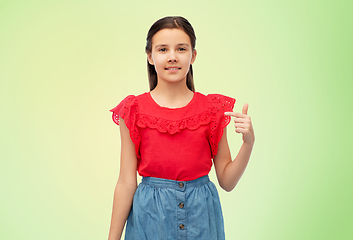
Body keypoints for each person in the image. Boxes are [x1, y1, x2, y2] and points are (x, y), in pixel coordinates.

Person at [108, 16, 254, 240]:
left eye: (181, 49)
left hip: (202, 219)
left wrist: (248, 143)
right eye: (163, 49)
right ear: (150, 56)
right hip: (150, 220)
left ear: (193, 55)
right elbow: (126, 182)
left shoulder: (212, 109)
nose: (173, 57)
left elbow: (226, 180)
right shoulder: (134, 109)